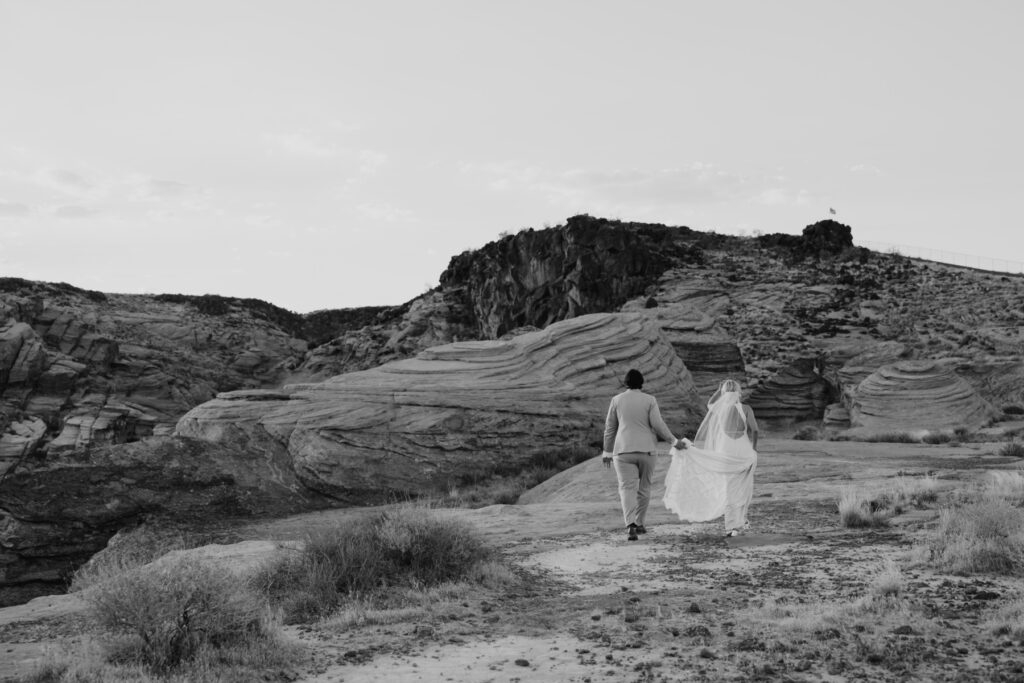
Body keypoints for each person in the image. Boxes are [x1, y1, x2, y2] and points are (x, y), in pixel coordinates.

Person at [663, 379, 759, 537]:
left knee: (728, 489)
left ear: (724, 393)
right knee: (744, 488)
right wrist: (754, 448)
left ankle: (732, 527)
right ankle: (741, 522)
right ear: (739, 392)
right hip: (744, 452)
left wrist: (718, 389)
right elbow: (754, 430)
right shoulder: (746, 408)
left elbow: (710, 403)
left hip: (725, 453)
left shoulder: (719, 409)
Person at [603, 369, 684, 541]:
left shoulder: (616, 400)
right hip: (647, 450)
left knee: (626, 488)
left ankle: (630, 525)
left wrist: (607, 451)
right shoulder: (650, 400)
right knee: (644, 488)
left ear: (625, 382)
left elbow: (610, 428)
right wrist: (674, 441)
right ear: (642, 382)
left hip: (623, 451)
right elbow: (657, 424)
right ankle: (639, 523)